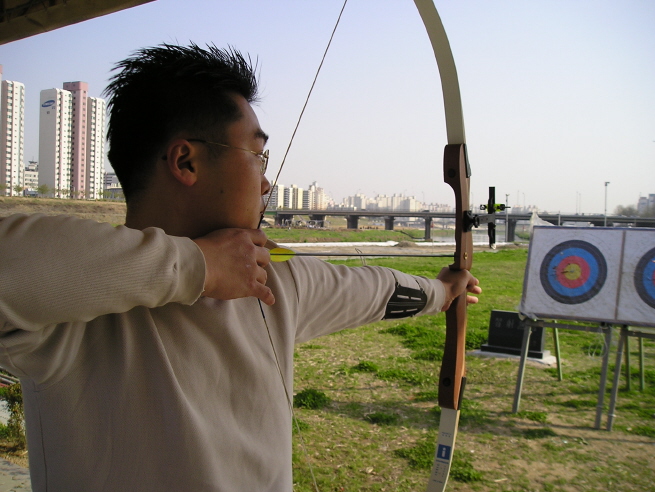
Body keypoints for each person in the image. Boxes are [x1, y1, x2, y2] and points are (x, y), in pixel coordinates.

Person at [0, 43, 481, 491]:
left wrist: (441, 293)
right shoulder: (65, 318)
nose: (266, 182)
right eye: (257, 155)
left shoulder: (271, 278)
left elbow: (374, 290)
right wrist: (200, 266)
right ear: (186, 162)